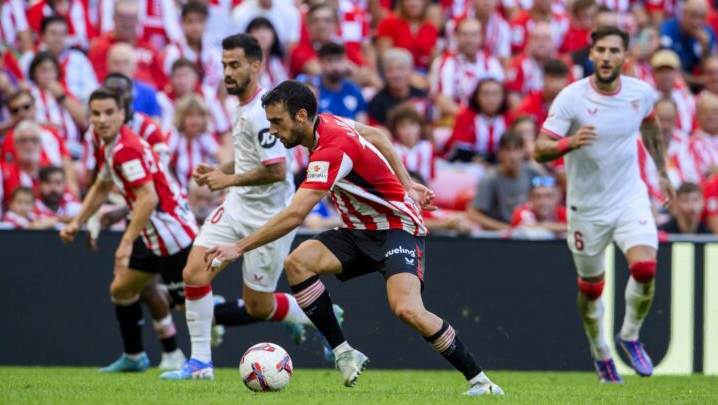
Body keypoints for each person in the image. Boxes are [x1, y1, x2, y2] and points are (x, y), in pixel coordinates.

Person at [204, 80, 504, 396]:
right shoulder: (329, 123)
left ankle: (481, 381)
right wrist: (408, 184)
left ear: (302, 116)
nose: (273, 131)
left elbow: (295, 216)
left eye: (278, 122)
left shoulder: (330, 150)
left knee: (407, 309)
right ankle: (344, 352)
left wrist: (237, 247)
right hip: (359, 231)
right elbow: (377, 135)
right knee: (298, 263)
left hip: (395, 228)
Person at [159, 35, 323, 381]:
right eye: (223, 66)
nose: (227, 72)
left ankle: (316, 314)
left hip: (269, 218)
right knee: (193, 272)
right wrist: (224, 171)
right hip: (236, 210)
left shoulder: (264, 114)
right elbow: (253, 158)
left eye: (234, 65)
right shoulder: (246, 109)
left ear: (255, 65)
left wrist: (226, 181)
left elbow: (277, 170)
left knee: (257, 306)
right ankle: (200, 363)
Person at [533, 26, 676, 383]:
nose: (608, 57)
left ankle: (629, 336)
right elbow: (539, 149)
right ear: (592, 55)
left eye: (615, 51)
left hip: (630, 198)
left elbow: (650, 127)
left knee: (644, 269)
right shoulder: (571, 98)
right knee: (591, 287)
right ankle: (601, 353)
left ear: (625, 57)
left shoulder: (641, 92)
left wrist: (661, 171)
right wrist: (570, 142)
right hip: (587, 210)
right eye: (601, 50)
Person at [59, 87, 198, 373]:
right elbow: (102, 184)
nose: (102, 119)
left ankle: (278, 311)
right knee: (122, 289)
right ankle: (134, 357)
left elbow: (149, 198)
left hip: (171, 234)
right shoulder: (103, 140)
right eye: (95, 113)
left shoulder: (127, 149)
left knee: (195, 308)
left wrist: (125, 243)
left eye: (109, 112)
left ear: (123, 114)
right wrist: (77, 221)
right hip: (151, 232)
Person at [467, 130, 539, 231]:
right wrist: (507, 229)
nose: (512, 155)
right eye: (507, 150)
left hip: (528, 228)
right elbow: (473, 214)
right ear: (500, 153)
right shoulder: (490, 179)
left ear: (523, 152)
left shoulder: (532, 173)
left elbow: (549, 193)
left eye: (516, 149)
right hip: (500, 233)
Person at [443, 78, 510, 164]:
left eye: (495, 94)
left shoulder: (508, 118)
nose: (490, 99)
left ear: (503, 97)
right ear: (477, 96)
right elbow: (461, 151)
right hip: (466, 164)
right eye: (485, 94)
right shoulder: (465, 117)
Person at [167, 95, 221, 189]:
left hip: (199, 193)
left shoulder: (205, 137)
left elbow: (223, 159)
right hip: (176, 191)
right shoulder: (173, 137)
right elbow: (163, 165)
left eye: (199, 115)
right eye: (190, 115)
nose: (195, 121)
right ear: (181, 117)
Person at [316, 42, 367, 123]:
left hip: (351, 134)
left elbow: (363, 124)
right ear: (321, 63)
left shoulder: (354, 91)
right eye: (330, 61)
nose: (335, 67)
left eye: (339, 60)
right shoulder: (314, 90)